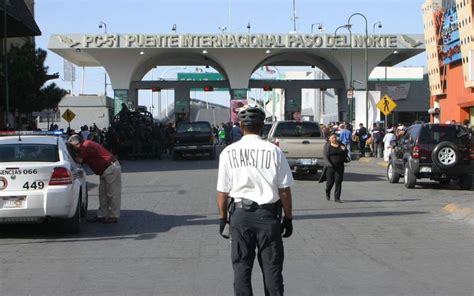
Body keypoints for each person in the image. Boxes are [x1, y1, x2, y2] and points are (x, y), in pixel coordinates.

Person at [216, 105, 294, 296]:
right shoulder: (273, 151)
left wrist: (222, 219)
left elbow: (222, 193)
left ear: (241, 125)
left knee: (242, 268)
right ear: (262, 126)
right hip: (268, 216)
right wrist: (288, 218)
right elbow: (284, 190)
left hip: (240, 216)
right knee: (272, 269)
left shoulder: (228, 152)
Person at [68, 134, 122, 223]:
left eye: (72, 146)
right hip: (104, 170)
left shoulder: (86, 145)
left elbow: (79, 160)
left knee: (113, 193)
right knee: (103, 195)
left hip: (110, 168)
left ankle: (114, 215)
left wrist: (71, 154)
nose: (74, 149)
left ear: (76, 143)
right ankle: (102, 215)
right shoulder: (85, 146)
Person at [323, 132, 347, 203]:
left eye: (335, 137)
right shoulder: (327, 145)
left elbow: (345, 153)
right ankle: (327, 191)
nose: (334, 139)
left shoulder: (341, 145)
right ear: (329, 139)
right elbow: (325, 156)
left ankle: (337, 198)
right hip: (330, 166)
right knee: (330, 182)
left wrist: (344, 149)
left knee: (338, 182)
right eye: (332, 137)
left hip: (339, 167)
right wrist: (328, 163)